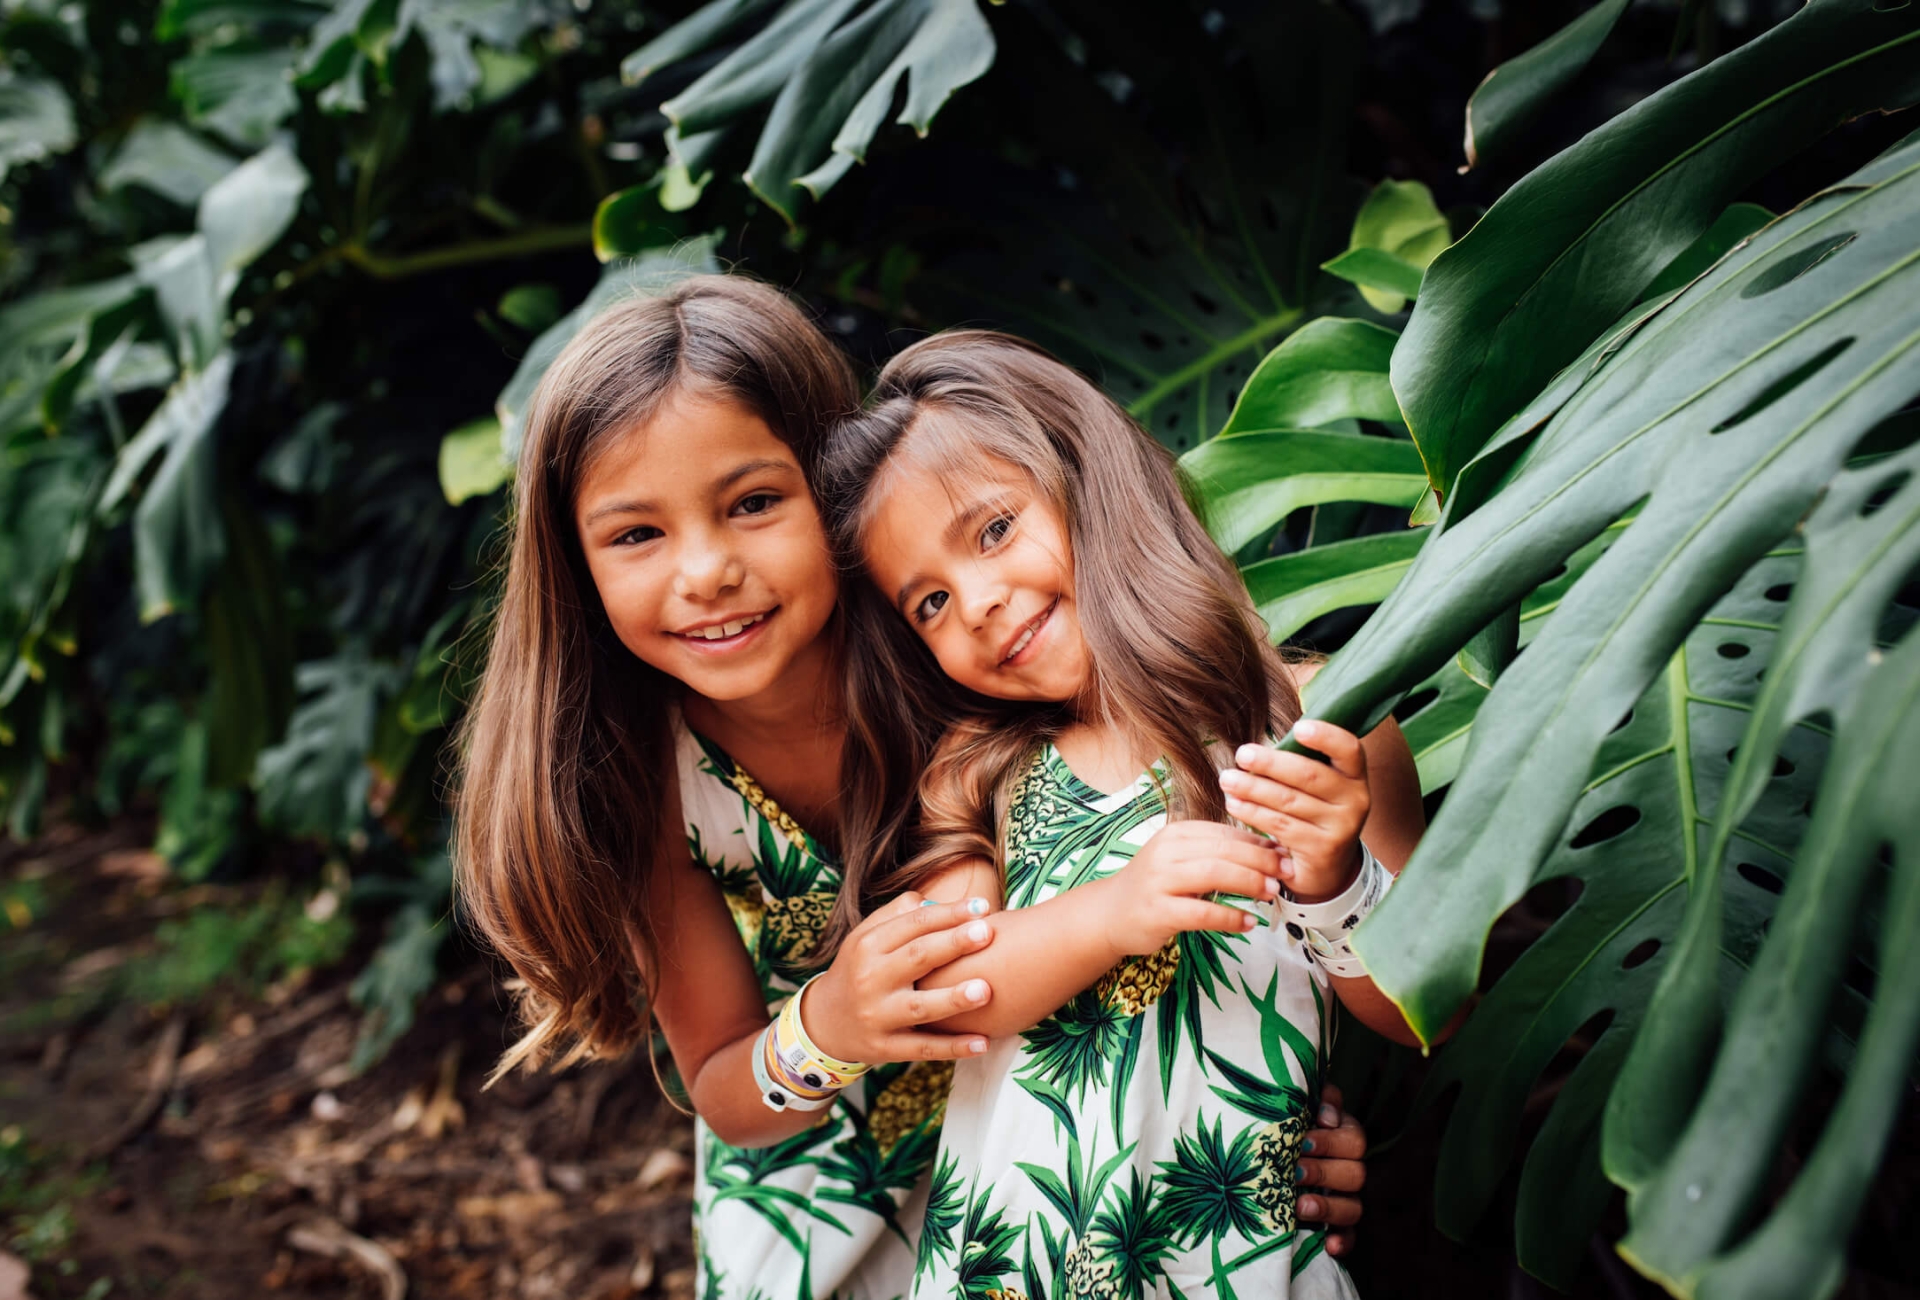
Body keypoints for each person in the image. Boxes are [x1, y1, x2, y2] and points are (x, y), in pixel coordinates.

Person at [453, 276, 1371, 1300]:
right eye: (637, 534)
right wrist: (826, 1031)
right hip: (819, 1182)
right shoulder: (646, 778)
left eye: (754, 503)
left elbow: (1216, 875)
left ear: (838, 494)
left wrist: (1274, 1119)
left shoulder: (973, 661)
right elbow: (722, 1078)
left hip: (1057, 1138)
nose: (707, 570)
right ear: (574, 567)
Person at [819, 330, 1432, 1299]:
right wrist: (1117, 908)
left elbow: (1422, 1010)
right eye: (928, 602)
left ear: (1087, 478)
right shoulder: (981, 768)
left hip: (1235, 1264)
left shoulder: (1319, 729)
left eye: (992, 531)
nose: (974, 601)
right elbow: (955, 982)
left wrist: (1337, 875)